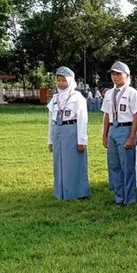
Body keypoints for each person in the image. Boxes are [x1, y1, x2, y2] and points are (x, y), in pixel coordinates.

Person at [101, 61, 137, 206]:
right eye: (113, 74)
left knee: (127, 166)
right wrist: (105, 134)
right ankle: (119, 197)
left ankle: (129, 198)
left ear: (127, 75)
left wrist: (132, 136)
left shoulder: (133, 93)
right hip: (113, 128)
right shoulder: (109, 93)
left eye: (119, 74)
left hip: (126, 128)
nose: (115, 77)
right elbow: (107, 114)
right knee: (114, 165)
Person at [48, 66, 90, 200]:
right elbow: (51, 120)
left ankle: (78, 192)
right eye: (58, 80)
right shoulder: (55, 98)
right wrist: (50, 140)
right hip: (58, 131)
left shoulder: (77, 97)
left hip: (72, 130)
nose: (61, 83)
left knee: (74, 163)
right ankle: (60, 191)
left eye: (63, 80)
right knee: (59, 163)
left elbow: (83, 120)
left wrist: (82, 140)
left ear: (70, 81)